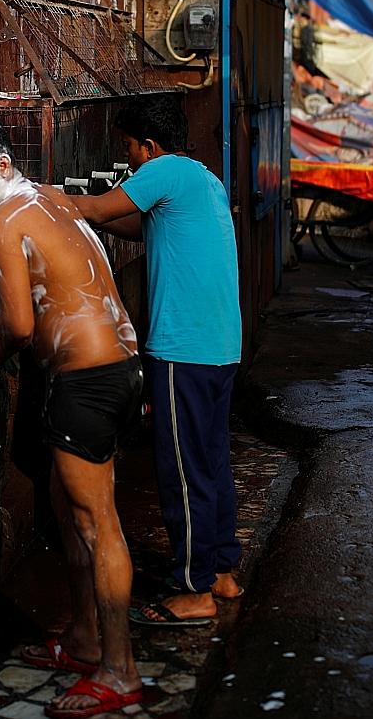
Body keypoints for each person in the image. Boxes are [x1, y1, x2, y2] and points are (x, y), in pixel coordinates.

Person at [0, 117, 144, 719]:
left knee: (96, 522)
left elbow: (23, 329)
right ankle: (84, 640)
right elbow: (41, 298)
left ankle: (120, 671)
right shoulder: (48, 201)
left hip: (86, 380)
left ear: (0, 164)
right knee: (65, 502)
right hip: (119, 368)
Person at [71, 97, 244, 626]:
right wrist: (92, 212)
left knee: (181, 469)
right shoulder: (201, 179)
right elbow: (133, 227)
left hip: (182, 348)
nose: (129, 161)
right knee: (211, 459)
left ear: (149, 145)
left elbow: (101, 210)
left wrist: (43, 196)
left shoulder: (162, 169)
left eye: (129, 149)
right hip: (219, 348)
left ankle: (193, 590)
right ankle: (221, 571)